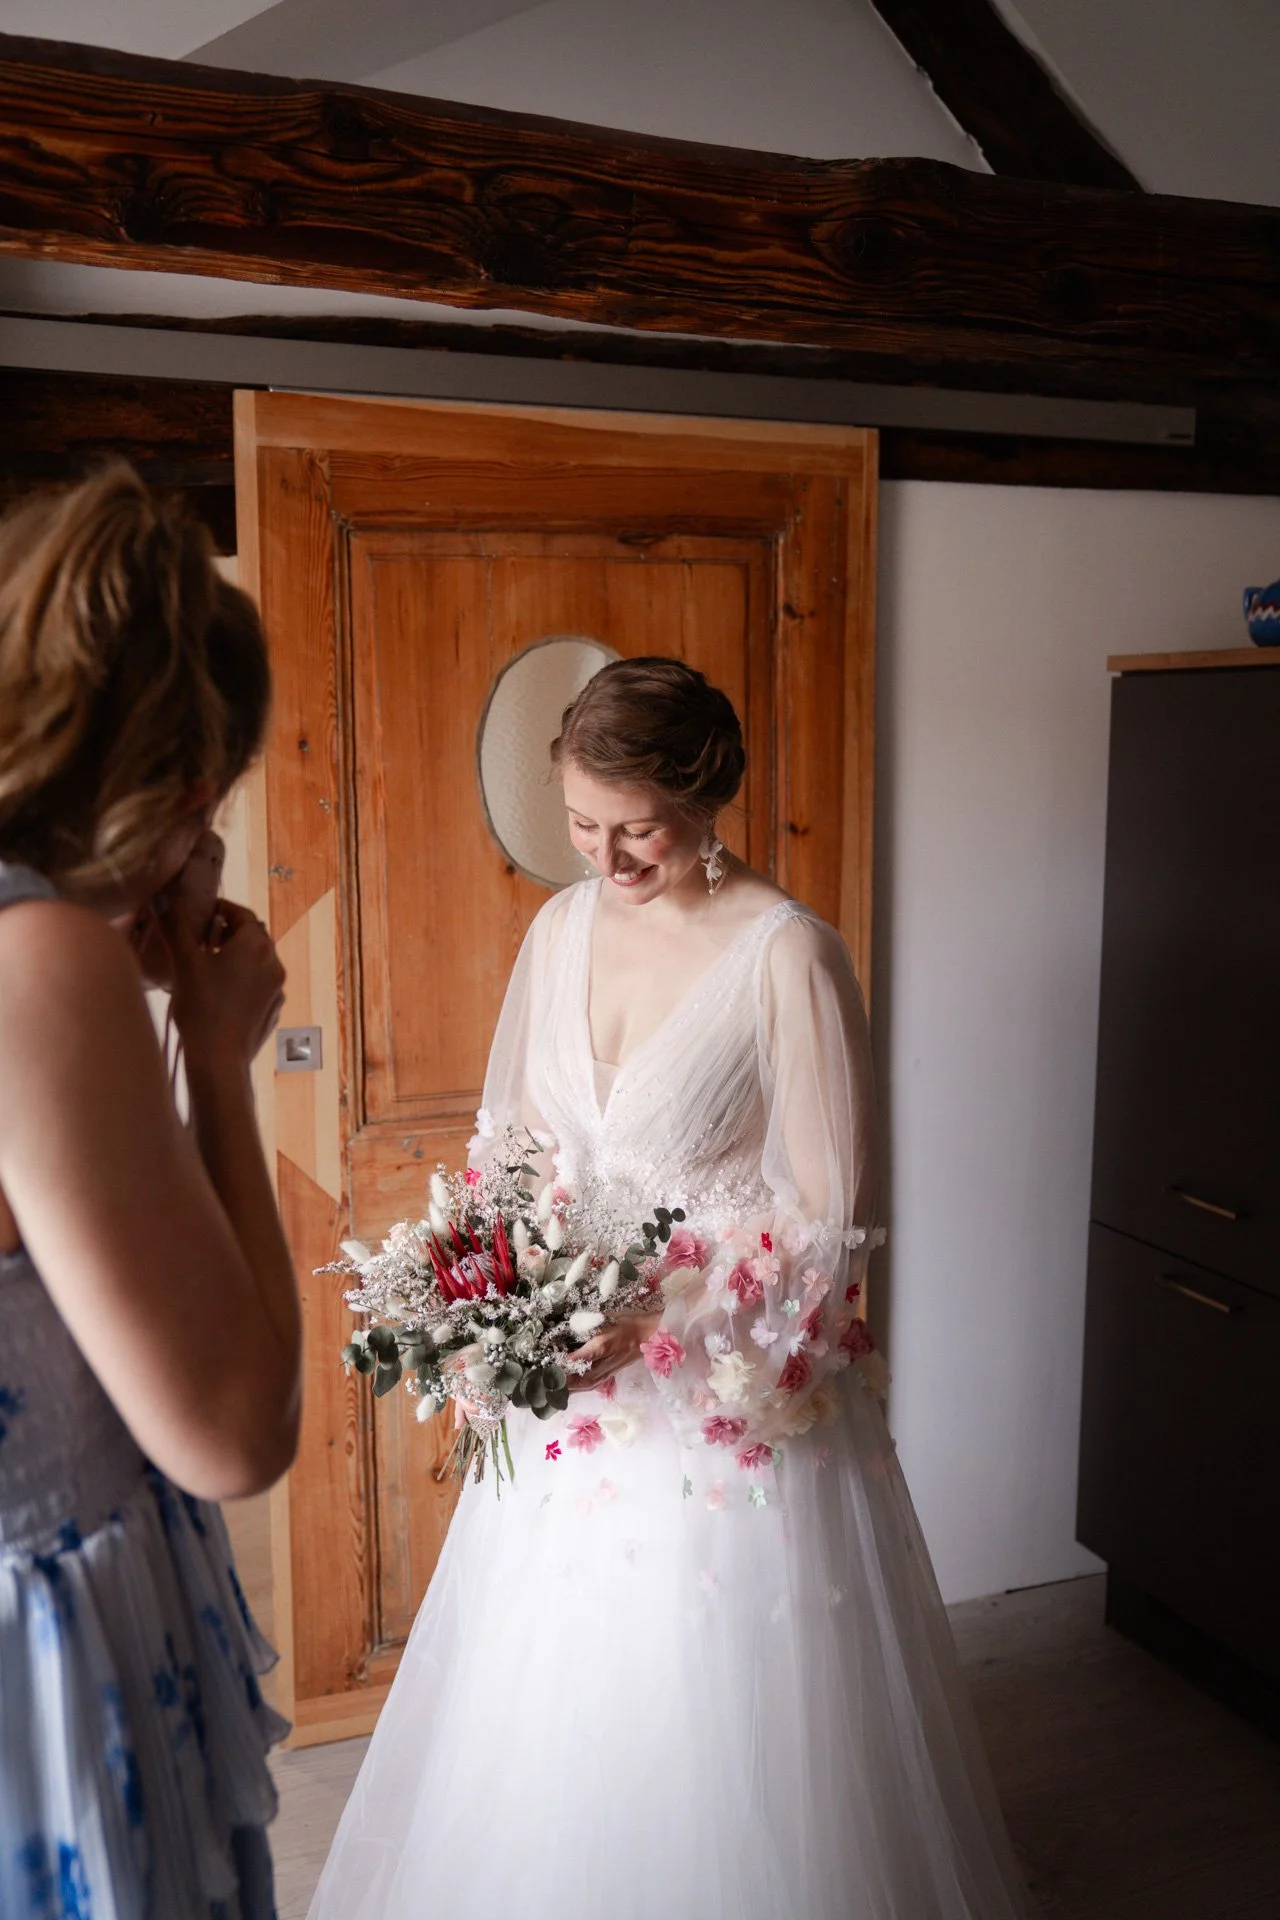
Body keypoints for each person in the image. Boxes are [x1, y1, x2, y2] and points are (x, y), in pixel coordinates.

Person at [309, 657, 1027, 1920]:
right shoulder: (562, 926)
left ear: (706, 792)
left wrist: (658, 1320)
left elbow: (831, 1222)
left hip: (720, 1400)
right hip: (574, 1393)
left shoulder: (785, 955)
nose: (606, 856)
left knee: (725, 1709)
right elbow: (513, 1153)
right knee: (559, 1696)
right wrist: (494, 1302)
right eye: (583, 827)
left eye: (635, 826)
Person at [0, 468, 300, 1919]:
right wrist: (221, 1056)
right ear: (189, 789)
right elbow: (237, 1432)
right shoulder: (37, 959)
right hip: (50, 1681)